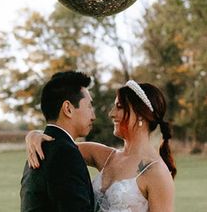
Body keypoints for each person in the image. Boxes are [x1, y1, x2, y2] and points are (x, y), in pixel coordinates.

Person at [27, 80, 176, 212]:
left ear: (140, 114)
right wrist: (34, 134)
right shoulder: (105, 155)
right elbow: (60, 146)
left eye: (119, 107)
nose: (111, 113)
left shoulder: (157, 173)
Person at [20, 70, 96, 212]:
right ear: (68, 108)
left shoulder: (43, 147)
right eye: (89, 106)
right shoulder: (64, 153)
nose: (93, 116)